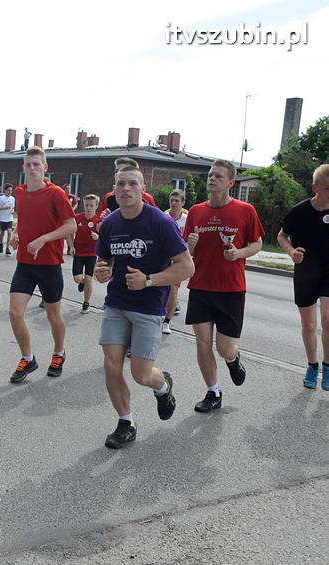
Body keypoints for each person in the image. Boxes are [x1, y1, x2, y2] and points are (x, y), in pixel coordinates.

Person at [94, 166, 194, 448]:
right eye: (121, 184)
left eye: (132, 184)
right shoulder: (111, 224)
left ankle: (163, 386)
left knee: (141, 375)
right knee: (111, 366)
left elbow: (186, 267)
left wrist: (149, 280)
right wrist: (101, 272)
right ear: (114, 190)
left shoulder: (161, 223)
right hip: (116, 303)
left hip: (149, 307)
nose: (126, 189)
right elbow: (103, 264)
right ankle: (126, 422)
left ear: (142, 189)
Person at [184, 160, 263, 413]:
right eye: (210, 175)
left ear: (230, 183)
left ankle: (233, 358)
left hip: (231, 289)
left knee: (224, 347)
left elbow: (258, 243)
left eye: (218, 176)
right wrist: (192, 245)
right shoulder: (196, 211)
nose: (212, 179)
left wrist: (239, 253)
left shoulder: (245, 210)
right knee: (203, 344)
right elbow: (188, 251)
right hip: (201, 286)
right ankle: (213, 392)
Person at [7, 146, 76, 383]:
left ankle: (59, 352)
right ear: (23, 167)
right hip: (25, 263)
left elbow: (71, 226)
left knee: (53, 316)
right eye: (28, 164)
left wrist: (43, 239)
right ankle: (28, 358)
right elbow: (23, 219)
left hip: (49, 263)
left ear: (45, 167)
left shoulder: (56, 194)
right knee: (15, 313)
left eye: (37, 164)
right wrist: (16, 234)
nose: (32, 168)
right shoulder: (19, 192)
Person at [277, 164, 329, 389]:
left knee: (328, 320)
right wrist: (291, 252)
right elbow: (281, 235)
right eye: (328, 188)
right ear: (315, 187)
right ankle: (312, 366)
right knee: (309, 324)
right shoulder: (300, 211)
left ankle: (328, 368)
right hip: (306, 271)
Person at [68, 194, 101, 314]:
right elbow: (70, 233)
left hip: (92, 254)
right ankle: (81, 283)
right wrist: (71, 246)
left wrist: (98, 237)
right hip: (78, 253)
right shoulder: (77, 218)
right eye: (86, 205)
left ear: (96, 206)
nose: (88, 207)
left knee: (89, 279)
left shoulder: (98, 221)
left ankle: (86, 303)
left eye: (91, 205)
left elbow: (105, 238)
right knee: (78, 279)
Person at [162, 189, 189, 334]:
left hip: (179, 260)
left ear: (183, 203)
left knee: (173, 290)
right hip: (163, 259)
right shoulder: (163, 217)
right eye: (171, 200)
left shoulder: (187, 218)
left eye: (177, 201)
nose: (173, 203)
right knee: (159, 288)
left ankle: (166, 321)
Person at [0, 183, 15, 255]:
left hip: (9, 219)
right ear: (5, 190)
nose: (10, 192)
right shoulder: (1, 198)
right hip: (2, 219)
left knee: (9, 233)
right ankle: (1, 244)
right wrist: (4, 208)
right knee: (2, 233)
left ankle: (7, 248)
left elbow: (12, 207)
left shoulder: (12, 199)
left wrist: (12, 211)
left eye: (11, 191)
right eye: (8, 190)